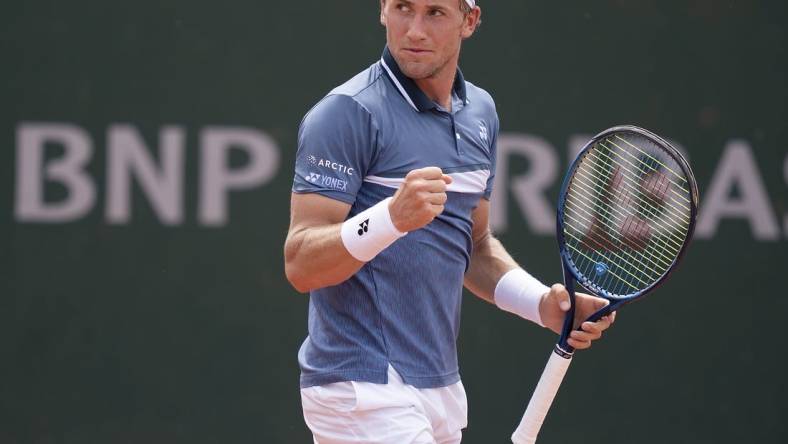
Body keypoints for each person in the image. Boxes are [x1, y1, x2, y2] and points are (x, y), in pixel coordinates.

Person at [284, 1, 615, 442]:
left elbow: (473, 246)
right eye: (402, 8)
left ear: (470, 21)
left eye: (435, 12)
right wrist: (390, 217)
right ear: (383, 10)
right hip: (363, 386)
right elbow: (301, 263)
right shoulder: (347, 112)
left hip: (439, 388)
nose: (415, 30)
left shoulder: (480, 113)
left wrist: (543, 306)